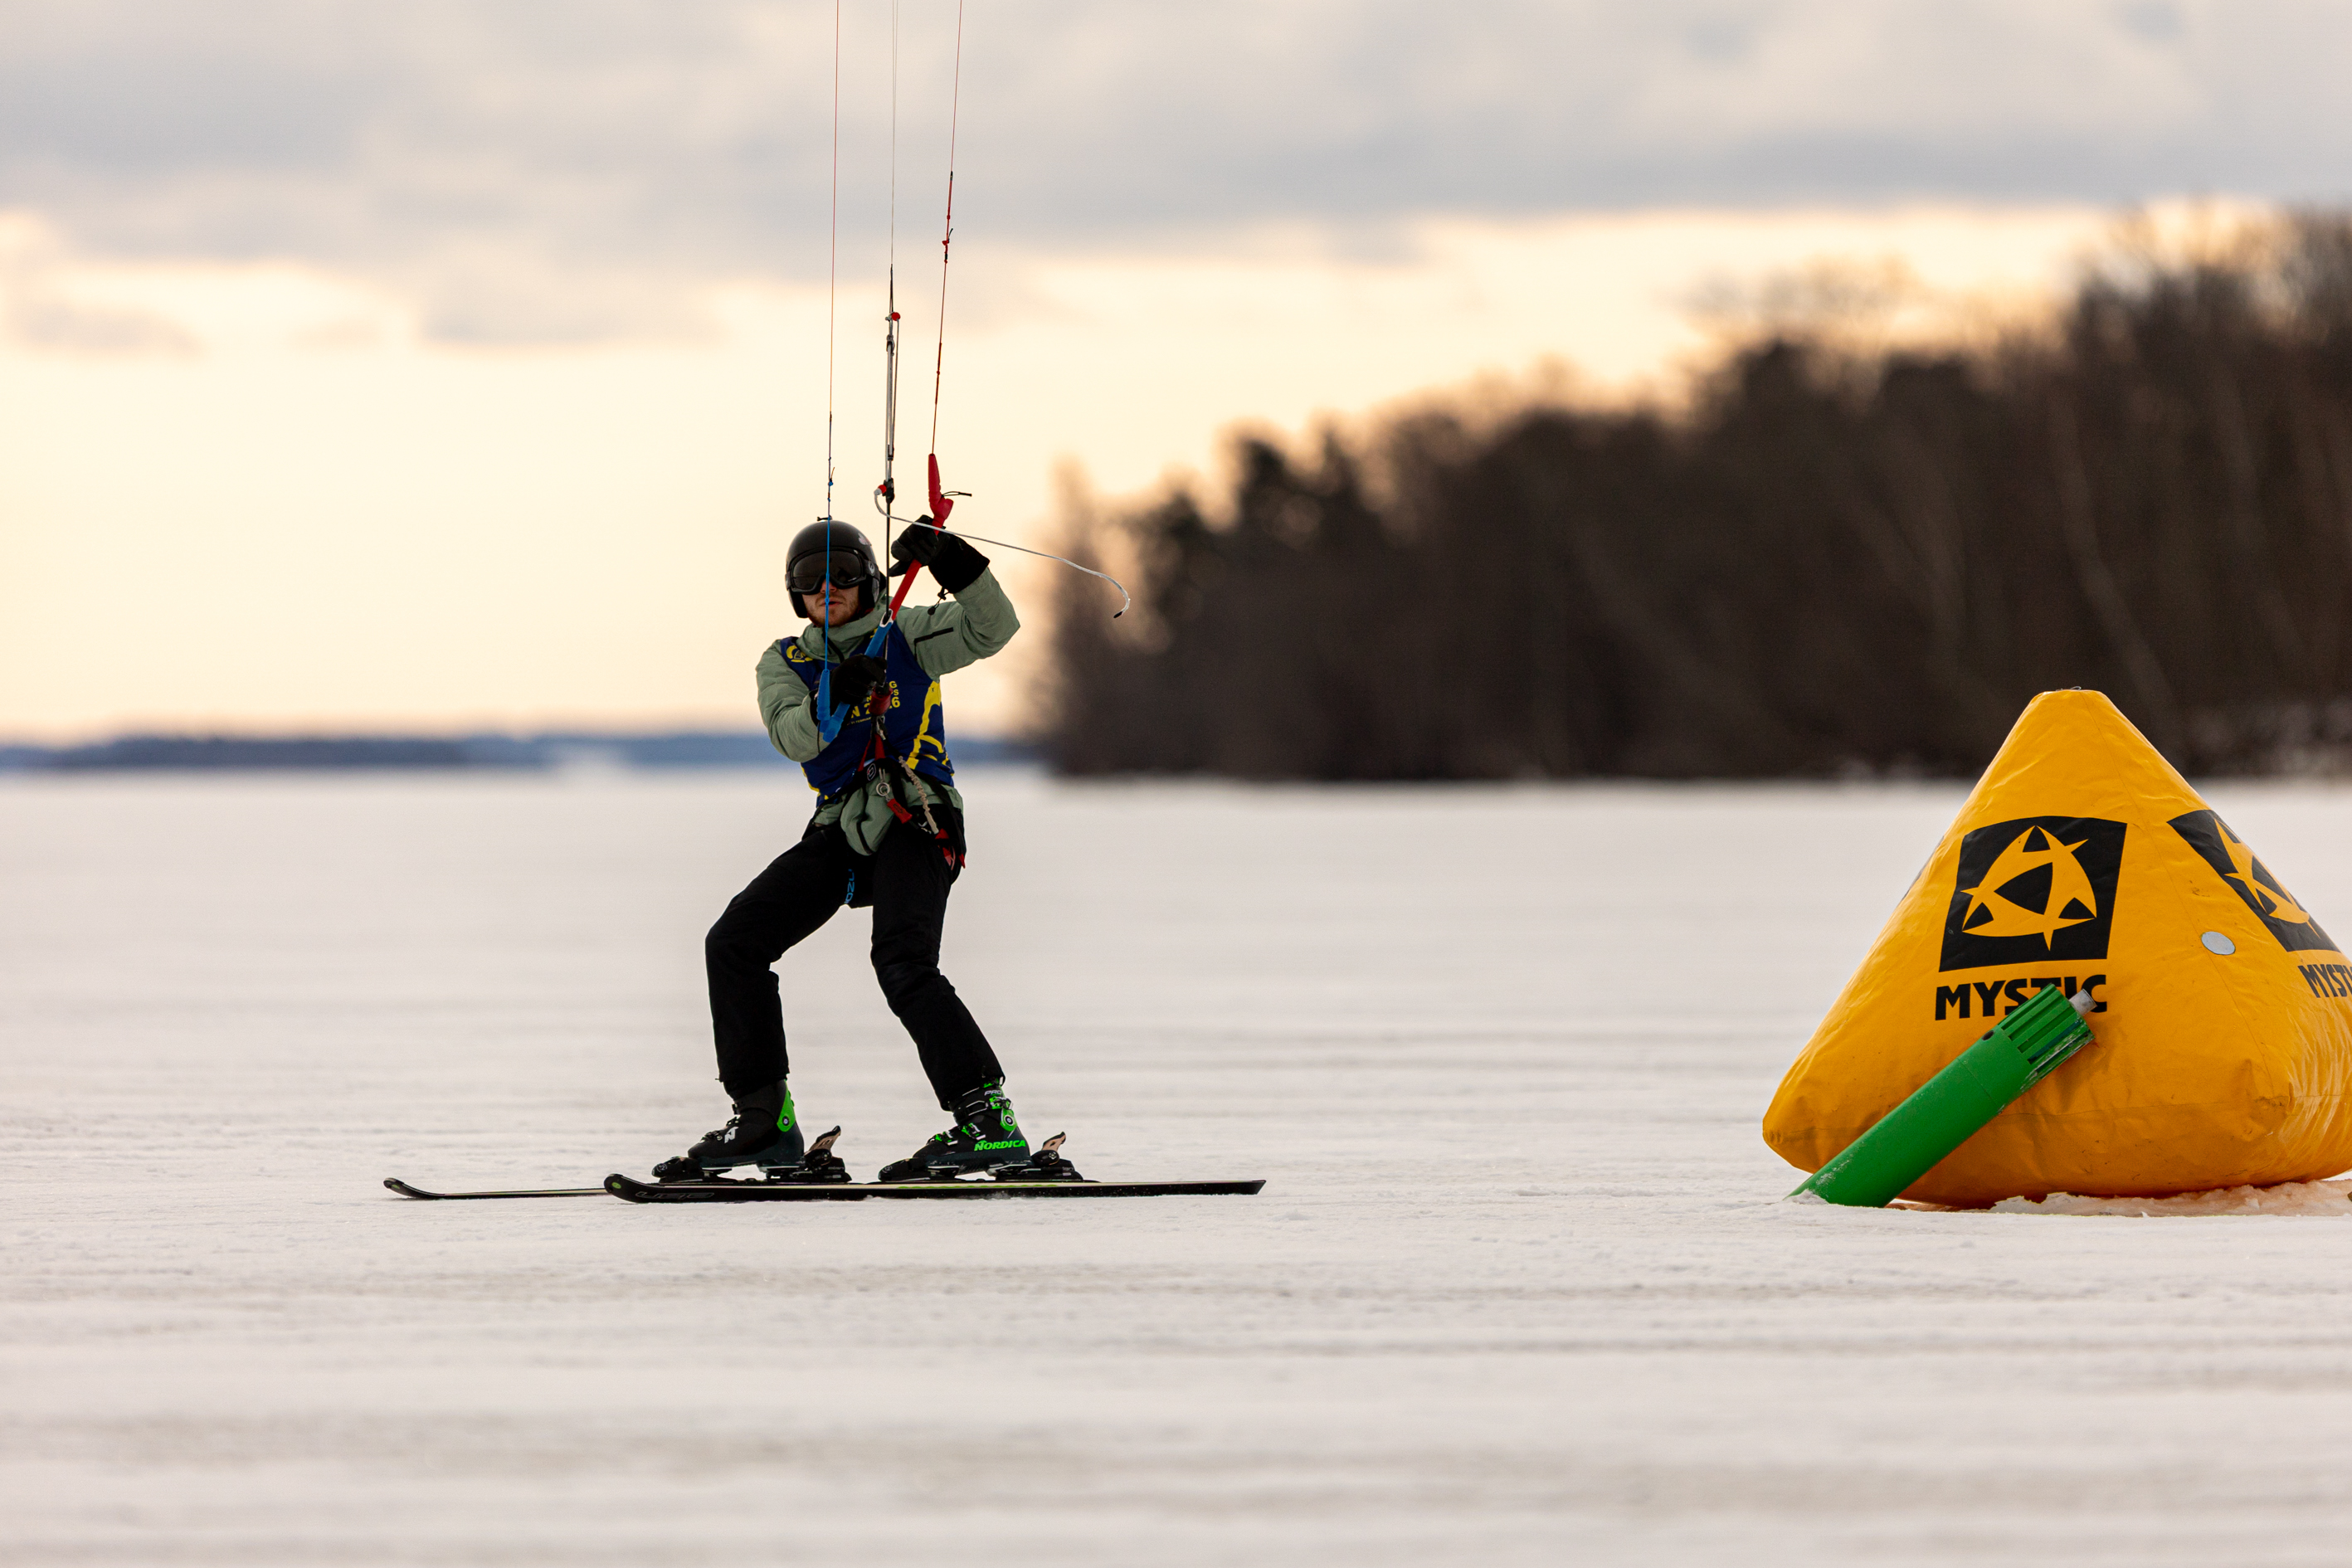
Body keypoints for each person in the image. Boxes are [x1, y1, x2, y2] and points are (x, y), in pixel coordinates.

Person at [652, 517, 1027, 1183]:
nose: (827, 589)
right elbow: (794, 737)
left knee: (903, 961)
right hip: (842, 829)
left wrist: (951, 559)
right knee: (733, 943)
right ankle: (764, 1119)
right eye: (809, 580)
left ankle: (987, 1122)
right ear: (794, 593)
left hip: (918, 820)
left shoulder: (908, 634)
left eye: (844, 575)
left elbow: (992, 628)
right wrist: (835, 691)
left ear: (870, 581)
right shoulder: (785, 662)